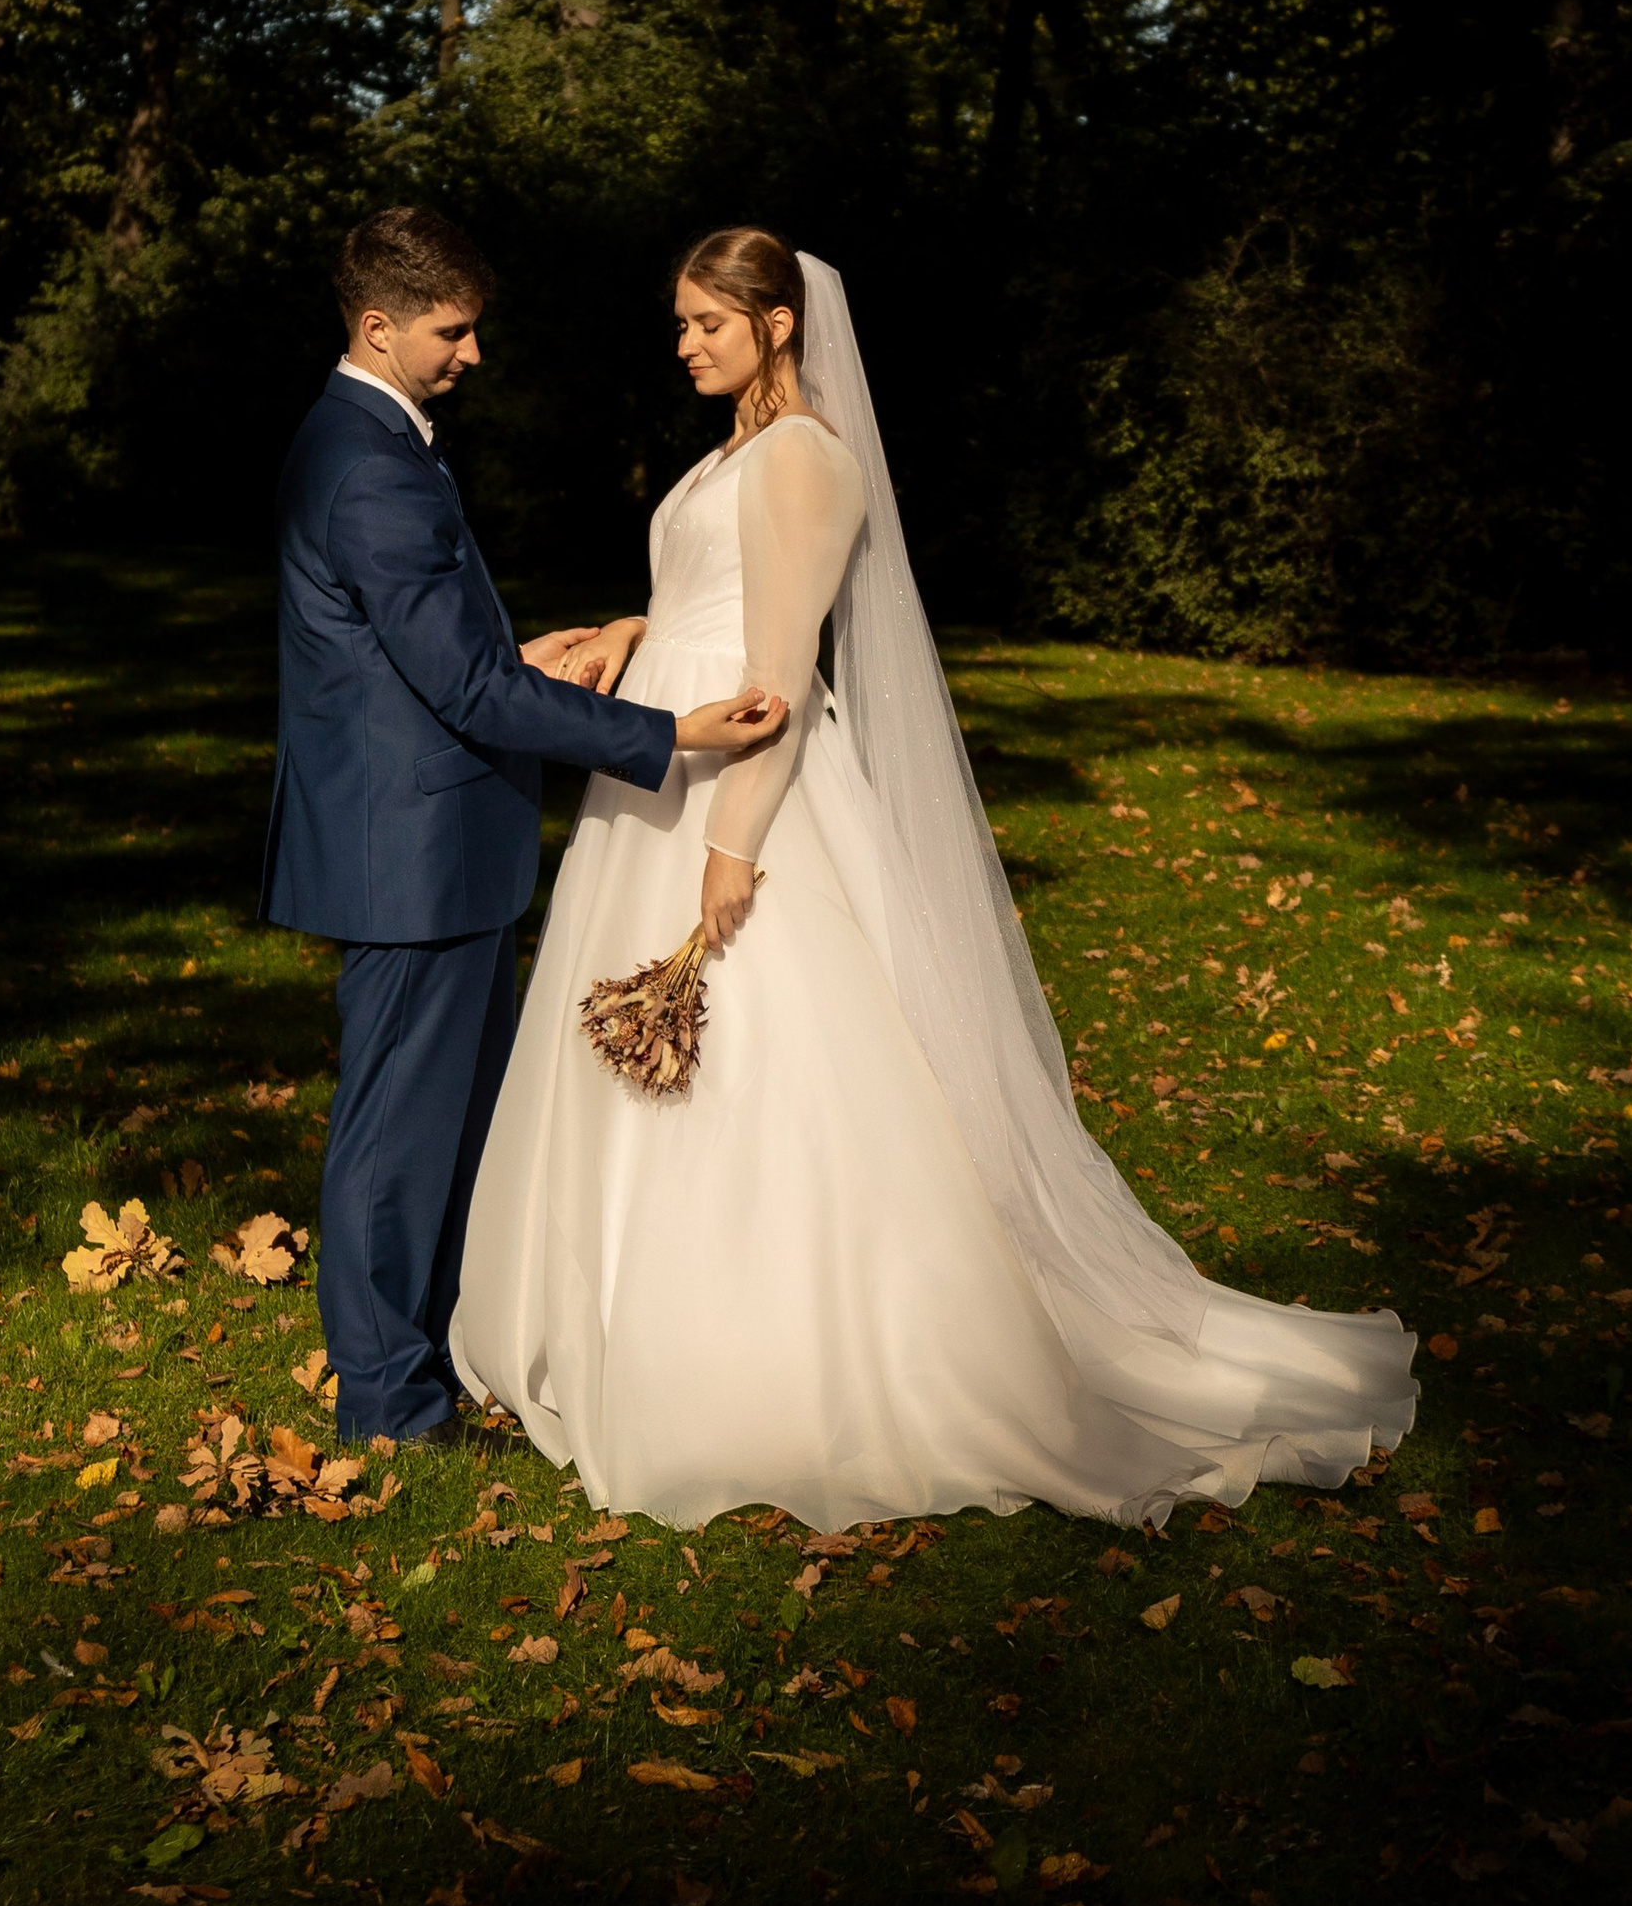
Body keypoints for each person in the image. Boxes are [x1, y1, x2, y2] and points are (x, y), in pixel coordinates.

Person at [452, 228, 1418, 1528]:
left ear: (778, 324)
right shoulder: (731, 452)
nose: (683, 341)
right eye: (679, 323)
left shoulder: (804, 460)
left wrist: (734, 851)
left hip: (742, 787)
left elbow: (780, 674)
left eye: (706, 323)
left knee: (767, 1066)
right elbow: (710, 599)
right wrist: (630, 629)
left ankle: (761, 1354)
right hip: (655, 772)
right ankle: (609, 1316)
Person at [260, 206, 787, 1451]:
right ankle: (388, 1404)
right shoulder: (370, 462)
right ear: (379, 327)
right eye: (453, 332)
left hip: (428, 839)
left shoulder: (371, 437)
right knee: (397, 1134)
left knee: (442, 1121)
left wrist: (512, 653)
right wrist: (673, 738)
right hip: (410, 858)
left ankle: (433, 1354)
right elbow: (462, 692)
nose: (472, 354)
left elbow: (432, 655)